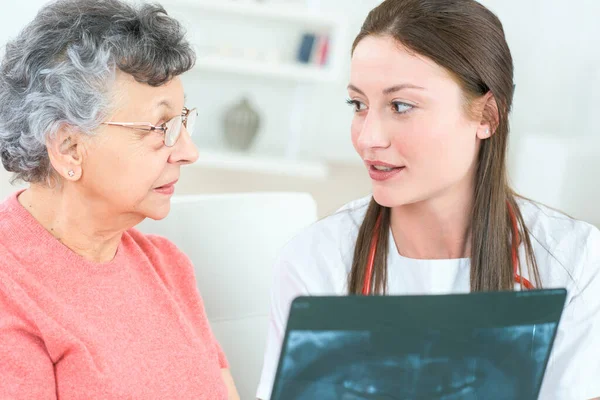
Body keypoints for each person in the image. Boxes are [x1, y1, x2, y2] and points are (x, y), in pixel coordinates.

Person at [256, 0, 600, 399]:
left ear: (487, 116)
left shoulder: (573, 262)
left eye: (401, 106)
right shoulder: (315, 262)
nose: (368, 138)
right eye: (359, 105)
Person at [0, 0, 239, 398]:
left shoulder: (167, 267)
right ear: (69, 148)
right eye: (161, 126)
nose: (188, 152)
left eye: (182, 122)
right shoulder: (11, 288)